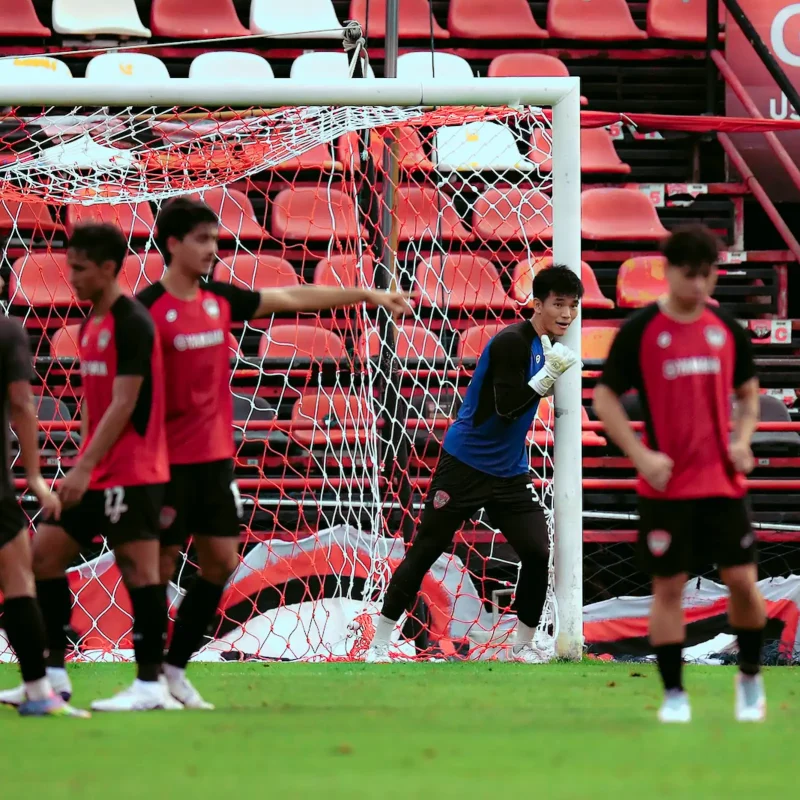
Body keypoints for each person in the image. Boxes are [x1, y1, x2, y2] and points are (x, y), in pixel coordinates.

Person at [137, 197, 411, 708]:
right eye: (202, 240)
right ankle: (148, 679)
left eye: (216, 239)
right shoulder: (146, 311)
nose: (213, 249)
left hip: (215, 462)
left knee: (220, 562)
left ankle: (173, 670)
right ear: (172, 244)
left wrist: (366, 294)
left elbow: (291, 296)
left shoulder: (219, 300)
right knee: (158, 565)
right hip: (164, 463)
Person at [0, 223, 181, 713]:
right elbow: (93, 406)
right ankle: (53, 675)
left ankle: (149, 683)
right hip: (97, 470)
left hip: (135, 471)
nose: (72, 278)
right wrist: (81, 461)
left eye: (79, 269)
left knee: (140, 570)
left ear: (106, 268)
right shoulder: (89, 326)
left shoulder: (134, 322)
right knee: (43, 559)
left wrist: (83, 468)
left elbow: (125, 402)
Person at [365, 265, 584, 664]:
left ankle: (522, 646)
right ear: (537, 304)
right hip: (464, 466)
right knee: (427, 549)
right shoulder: (512, 342)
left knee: (537, 552)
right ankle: (379, 642)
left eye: (573, 305)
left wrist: (548, 375)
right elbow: (503, 409)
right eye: (558, 304)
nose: (567, 314)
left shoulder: (544, 345)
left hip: (510, 473)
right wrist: (545, 379)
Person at [593, 225, 766, 724]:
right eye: (689, 275)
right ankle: (673, 694)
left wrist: (741, 441)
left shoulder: (727, 331)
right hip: (665, 488)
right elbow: (604, 398)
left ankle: (750, 676)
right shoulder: (641, 332)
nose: (698, 285)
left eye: (707, 275)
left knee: (742, 582)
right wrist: (641, 455)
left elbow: (749, 394)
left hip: (721, 484)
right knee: (668, 588)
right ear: (668, 273)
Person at [0, 302, 88, 717]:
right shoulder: (7, 331)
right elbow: (21, 404)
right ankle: (40, 690)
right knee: (19, 579)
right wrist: (34, 476)